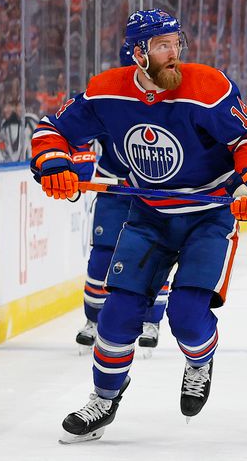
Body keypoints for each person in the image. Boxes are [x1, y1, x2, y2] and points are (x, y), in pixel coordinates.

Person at [31, 9, 247, 443]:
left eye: (176, 43)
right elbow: (52, 129)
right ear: (137, 53)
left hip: (208, 216)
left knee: (185, 317)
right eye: (163, 46)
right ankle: (104, 400)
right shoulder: (105, 92)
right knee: (117, 315)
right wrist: (53, 162)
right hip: (147, 215)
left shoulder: (207, 86)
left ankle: (200, 362)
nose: (174, 53)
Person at [73, 40, 172, 357]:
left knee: (155, 256)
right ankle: (93, 320)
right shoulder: (110, 98)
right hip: (114, 191)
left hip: (154, 193)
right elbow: (79, 136)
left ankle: (151, 321)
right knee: (103, 256)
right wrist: (80, 168)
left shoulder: (173, 99)